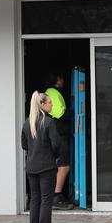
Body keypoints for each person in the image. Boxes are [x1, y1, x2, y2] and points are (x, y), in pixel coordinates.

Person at [22, 91, 60, 223]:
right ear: (42, 104)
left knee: (35, 199)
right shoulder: (49, 122)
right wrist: (55, 156)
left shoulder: (27, 123)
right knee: (46, 199)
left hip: (31, 166)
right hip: (46, 166)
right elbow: (56, 144)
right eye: (49, 102)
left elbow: (24, 145)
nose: (51, 105)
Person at [44, 73, 73, 210]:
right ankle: (56, 196)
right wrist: (74, 112)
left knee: (58, 166)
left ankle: (54, 195)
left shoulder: (50, 92)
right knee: (64, 166)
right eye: (61, 78)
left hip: (56, 134)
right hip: (59, 134)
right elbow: (60, 113)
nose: (63, 80)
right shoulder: (53, 92)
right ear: (57, 79)